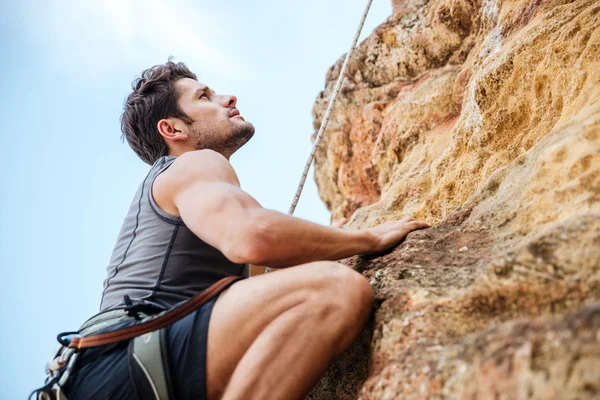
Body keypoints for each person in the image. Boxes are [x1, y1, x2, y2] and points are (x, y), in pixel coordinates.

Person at [60, 59, 430, 400]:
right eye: (204, 96)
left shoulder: (192, 198)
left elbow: (259, 276)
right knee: (333, 288)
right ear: (172, 128)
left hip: (115, 371)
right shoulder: (190, 165)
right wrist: (367, 238)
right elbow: (254, 237)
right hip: (125, 360)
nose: (227, 97)